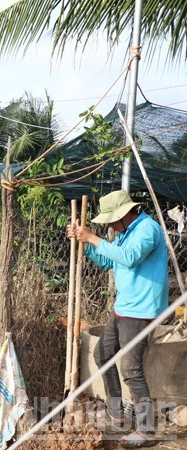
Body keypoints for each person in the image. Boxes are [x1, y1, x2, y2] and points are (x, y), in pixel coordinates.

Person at [68, 190, 167, 448]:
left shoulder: (147, 229)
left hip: (142, 311)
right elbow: (106, 260)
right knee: (103, 354)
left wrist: (93, 237)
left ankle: (147, 432)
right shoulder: (124, 234)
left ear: (124, 214)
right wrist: (85, 243)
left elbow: (129, 258)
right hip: (124, 308)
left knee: (131, 370)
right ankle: (117, 413)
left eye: (111, 220)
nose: (110, 226)